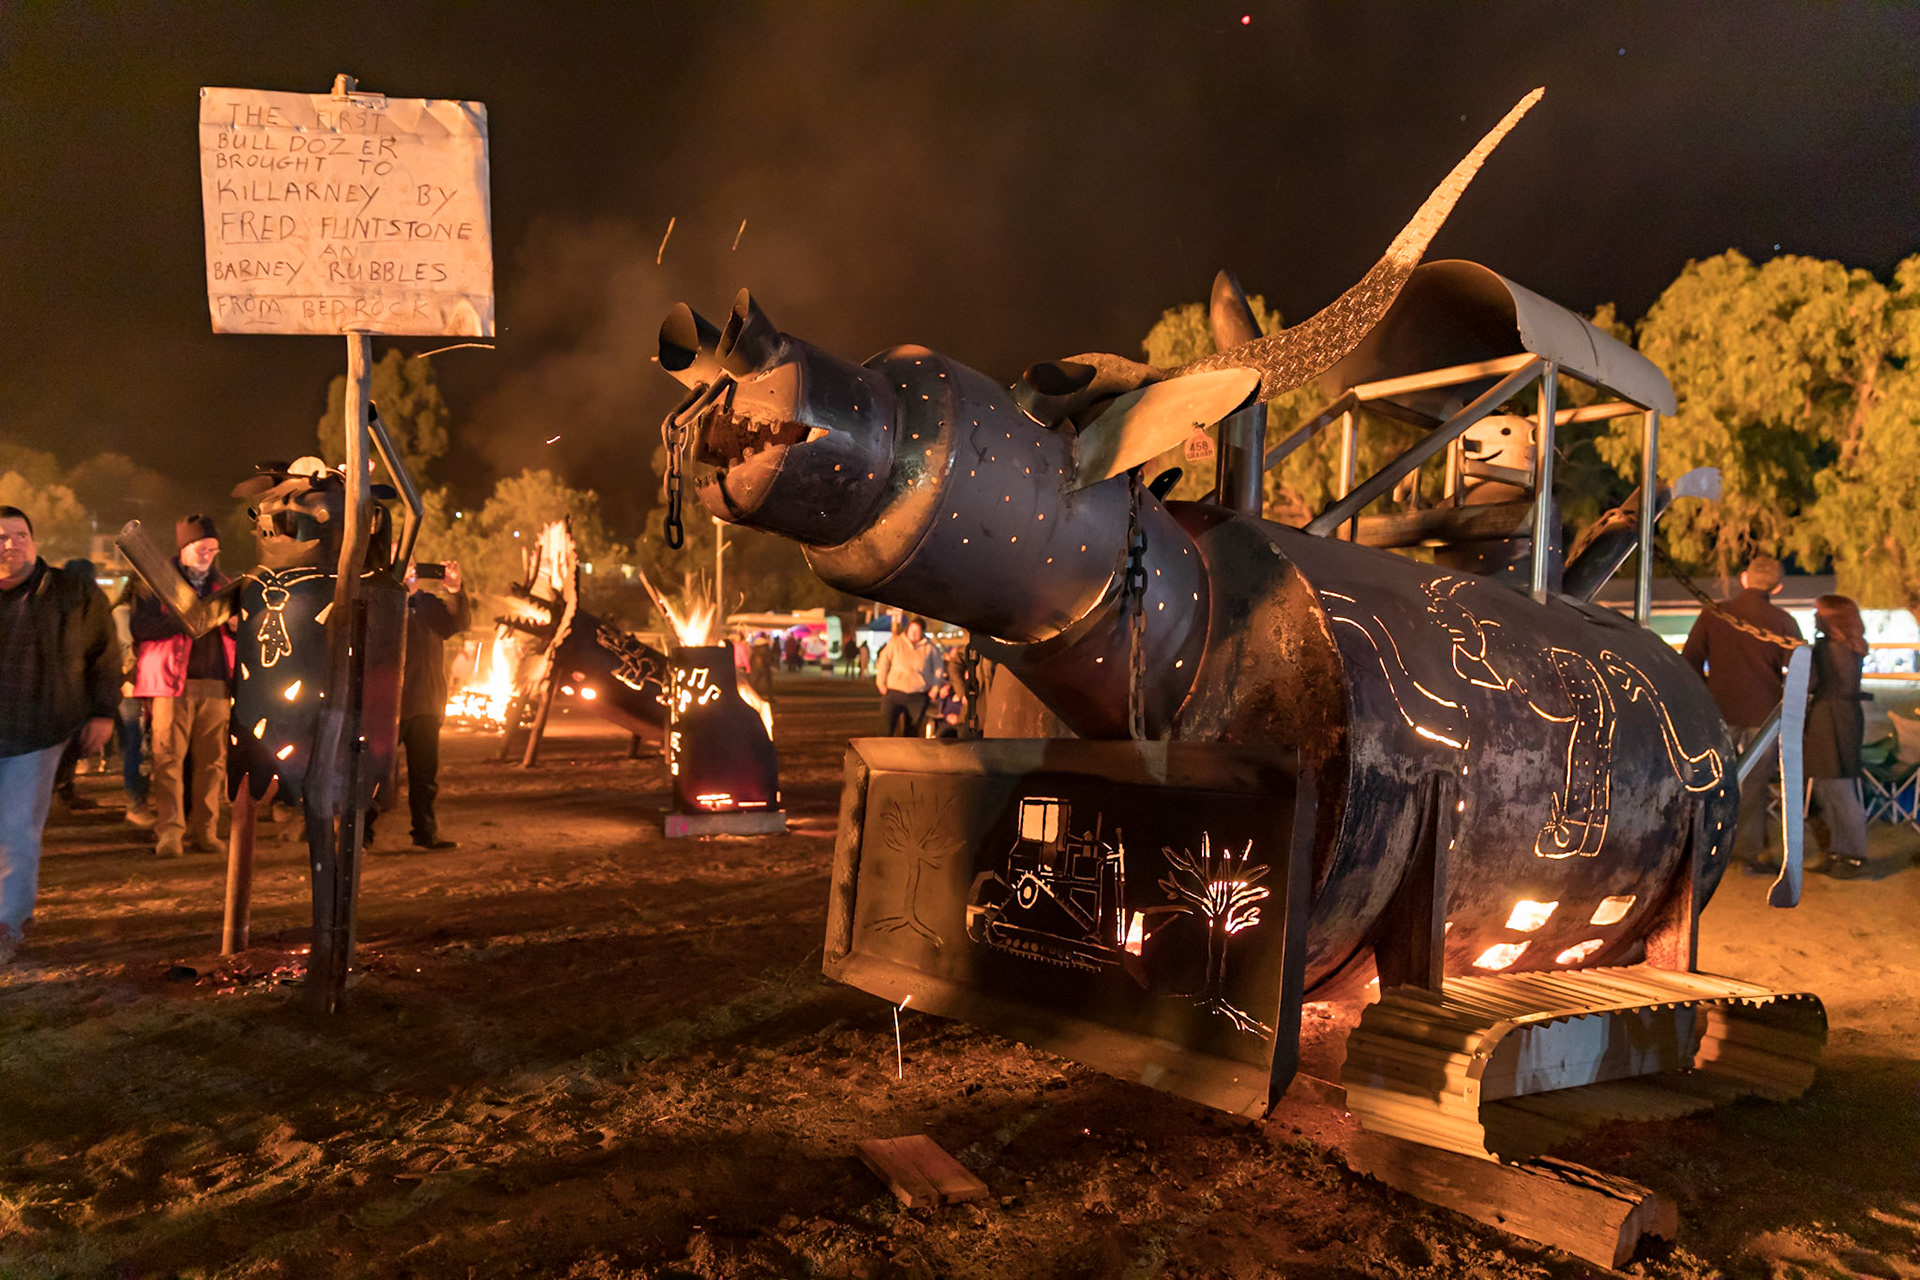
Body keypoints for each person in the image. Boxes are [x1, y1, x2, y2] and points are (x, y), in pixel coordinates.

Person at [0, 506, 118, 964]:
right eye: (2, 536)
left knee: (16, 831)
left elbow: (104, 655)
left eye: (19, 534)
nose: (10, 543)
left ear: (33, 539)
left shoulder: (71, 593)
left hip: (37, 730)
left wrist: (103, 712)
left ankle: (9, 922)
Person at [1682, 554, 1804, 871]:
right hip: (1763, 714)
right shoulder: (1783, 622)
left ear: (1744, 578)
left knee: (1712, 779)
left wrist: (1708, 690)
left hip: (1718, 709)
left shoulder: (1714, 614)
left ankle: (1705, 848)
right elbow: (1805, 674)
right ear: (1776, 587)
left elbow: (1691, 659)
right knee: (1754, 785)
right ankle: (1750, 853)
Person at [131, 515, 235, 858]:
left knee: (212, 764)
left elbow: (237, 635)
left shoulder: (224, 585)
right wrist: (184, 617)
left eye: (213, 549)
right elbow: (141, 627)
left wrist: (235, 624)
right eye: (201, 547)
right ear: (183, 547)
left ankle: (205, 830)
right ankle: (170, 833)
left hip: (216, 685)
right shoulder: (154, 583)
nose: (208, 554)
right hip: (169, 684)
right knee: (168, 761)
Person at [396, 559, 469, 850]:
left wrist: (454, 590)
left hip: (426, 702)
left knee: (425, 776)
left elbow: (458, 623)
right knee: (376, 774)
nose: (409, 567)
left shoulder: (427, 604)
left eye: (411, 562)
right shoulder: (377, 599)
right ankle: (362, 837)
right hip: (389, 704)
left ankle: (425, 833)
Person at [1804, 594, 1870, 877]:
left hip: (1833, 719)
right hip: (1835, 718)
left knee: (1839, 789)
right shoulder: (1845, 646)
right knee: (1828, 788)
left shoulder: (1833, 648)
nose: (1815, 617)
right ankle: (1837, 850)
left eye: (1819, 612)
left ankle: (1853, 854)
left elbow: (1815, 681)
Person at [875, 616, 941, 736]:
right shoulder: (895, 643)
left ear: (922, 632)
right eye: (912, 630)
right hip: (894, 691)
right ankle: (882, 752)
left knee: (911, 731)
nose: (914, 634)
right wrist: (881, 682)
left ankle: (906, 753)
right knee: (886, 728)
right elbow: (883, 661)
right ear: (907, 630)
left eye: (917, 631)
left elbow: (938, 668)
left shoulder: (930, 648)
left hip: (918, 693)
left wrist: (935, 687)